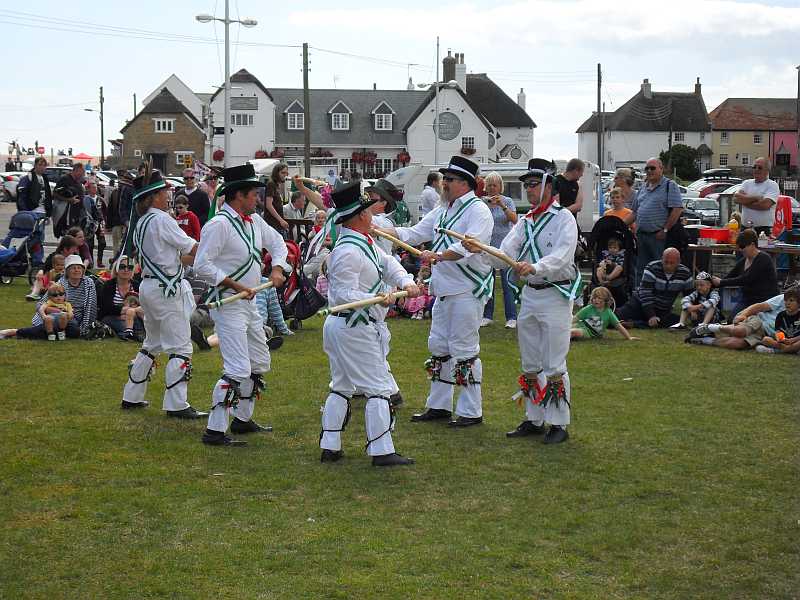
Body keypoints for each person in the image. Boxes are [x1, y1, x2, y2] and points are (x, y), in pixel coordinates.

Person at [466, 161, 580, 444]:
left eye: (534, 184)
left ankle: (558, 424)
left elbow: (564, 256)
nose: (529, 190)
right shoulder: (526, 221)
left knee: (554, 362)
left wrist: (536, 267)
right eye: (526, 185)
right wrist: (479, 249)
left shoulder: (564, 218)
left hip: (556, 294)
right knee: (530, 361)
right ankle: (534, 418)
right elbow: (504, 254)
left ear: (548, 186)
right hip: (530, 295)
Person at [377, 156, 493, 428]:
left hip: (467, 288)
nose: (445, 184)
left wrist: (438, 256)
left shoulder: (478, 211)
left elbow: (468, 247)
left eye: (450, 180)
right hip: (443, 290)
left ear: (465, 183)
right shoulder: (443, 209)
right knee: (439, 348)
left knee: (464, 350)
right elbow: (415, 232)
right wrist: (379, 228)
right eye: (445, 179)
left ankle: (470, 410)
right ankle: (439, 405)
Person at [318, 181, 420, 466]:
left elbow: (389, 264)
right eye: (368, 210)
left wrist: (406, 281)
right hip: (353, 325)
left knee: (341, 385)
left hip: (348, 326)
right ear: (361, 216)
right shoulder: (347, 251)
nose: (373, 214)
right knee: (377, 387)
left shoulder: (365, 243)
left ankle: (331, 445)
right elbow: (341, 294)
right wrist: (376, 298)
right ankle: (381, 450)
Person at [194, 163, 289, 446]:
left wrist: (278, 269)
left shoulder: (255, 222)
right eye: (253, 195)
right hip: (229, 303)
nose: (258, 200)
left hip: (250, 303)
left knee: (259, 361)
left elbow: (279, 245)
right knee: (237, 368)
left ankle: (242, 420)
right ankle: (214, 430)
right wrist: (235, 285)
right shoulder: (219, 225)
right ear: (238, 196)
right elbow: (201, 265)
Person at [121, 169, 207, 420]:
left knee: (152, 344)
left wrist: (200, 258)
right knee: (181, 346)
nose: (170, 194)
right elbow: (191, 246)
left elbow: (175, 256)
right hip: (167, 289)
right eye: (165, 191)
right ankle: (176, 404)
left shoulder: (143, 222)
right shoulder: (162, 220)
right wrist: (218, 250)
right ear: (154, 196)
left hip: (149, 287)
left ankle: (132, 395)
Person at [624, 158, 683, 286]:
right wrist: (620, 225)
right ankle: (639, 297)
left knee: (659, 269)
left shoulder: (669, 185)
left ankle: (659, 297)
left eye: (653, 168)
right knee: (641, 270)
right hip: (641, 236)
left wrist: (665, 230)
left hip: (658, 237)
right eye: (647, 168)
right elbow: (634, 212)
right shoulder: (642, 188)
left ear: (661, 169)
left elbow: (677, 209)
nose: (649, 171)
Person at [616, 247, 693, 329]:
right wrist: (651, 315)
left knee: (679, 321)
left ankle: (634, 324)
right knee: (615, 319)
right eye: (666, 262)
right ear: (661, 259)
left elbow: (689, 296)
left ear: (678, 262)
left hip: (662, 310)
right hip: (639, 303)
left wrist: (692, 310)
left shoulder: (685, 273)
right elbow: (645, 293)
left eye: (672, 263)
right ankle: (640, 321)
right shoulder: (652, 268)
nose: (668, 265)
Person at [479, 172, 518, 328]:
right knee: (488, 283)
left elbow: (514, 219)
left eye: (495, 185)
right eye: (489, 185)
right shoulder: (481, 202)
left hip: (505, 247)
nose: (492, 188)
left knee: (507, 283)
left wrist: (502, 205)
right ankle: (487, 315)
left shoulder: (507, 201)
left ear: (500, 186)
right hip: (487, 247)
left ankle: (511, 317)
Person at [711, 229, 778, 317]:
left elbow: (746, 279)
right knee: (732, 320)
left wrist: (721, 282)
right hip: (747, 299)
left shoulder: (764, 258)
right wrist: (711, 282)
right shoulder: (744, 260)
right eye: (739, 247)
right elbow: (730, 276)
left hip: (764, 301)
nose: (740, 249)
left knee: (740, 321)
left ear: (752, 244)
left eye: (742, 246)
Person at [686, 292, 786, 350]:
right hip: (757, 319)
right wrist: (743, 315)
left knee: (736, 344)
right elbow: (760, 306)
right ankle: (708, 327)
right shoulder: (786, 298)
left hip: (765, 334)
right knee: (740, 332)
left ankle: (703, 340)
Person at [98, 255, 144, 340]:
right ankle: (130, 334)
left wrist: (132, 312)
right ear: (116, 269)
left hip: (133, 316)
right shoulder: (108, 285)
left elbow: (144, 305)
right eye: (122, 267)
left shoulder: (137, 285)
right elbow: (106, 308)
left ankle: (132, 334)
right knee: (122, 325)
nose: (126, 270)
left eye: (130, 267)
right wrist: (125, 311)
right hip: (112, 317)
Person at [733, 157, 780, 236]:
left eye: (760, 167)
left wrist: (745, 202)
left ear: (767, 171)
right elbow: (736, 199)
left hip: (763, 230)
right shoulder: (746, 183)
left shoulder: (772, 185)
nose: (756, 169)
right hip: (745, 228)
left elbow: (764, 205)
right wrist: (756, 198)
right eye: (754, 167)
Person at [571, 286, 637, 341]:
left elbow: (619, 326)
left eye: (599, 298)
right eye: (594, 298)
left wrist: (629, 337)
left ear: (606, 300)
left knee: (573, 332)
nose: (596, 300)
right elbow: (575, 318)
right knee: (565, 329)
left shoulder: (608, 313)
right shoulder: (588, 308)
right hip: (580, 326)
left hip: (589, 333)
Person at [756, 286, 800, 354]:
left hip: (795, 340)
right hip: (783, 342)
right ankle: (790, 350)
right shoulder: (780, 315)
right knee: (765, 339)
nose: (787, 303)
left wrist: (792, 340)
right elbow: (778, 331)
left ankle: (775, 351)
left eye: (791, 300)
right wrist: (781, 339)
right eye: (785, 300)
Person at [52, 163, 86, 237]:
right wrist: (68, 200)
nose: (83, 175)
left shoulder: (78, 181)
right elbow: (55, 194)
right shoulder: (65, 179)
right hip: (68, 215)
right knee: (69, 237)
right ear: (76, 170)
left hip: (77, 214)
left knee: (75, 237)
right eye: (82, 172)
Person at [84, 180, 107, 267]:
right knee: (90, 244)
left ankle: (99, 261)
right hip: (89, 224)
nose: (95, 189)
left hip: (99, 223)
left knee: (102, 242)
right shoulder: (86, 199)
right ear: (88, 189)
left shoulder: (100, 199)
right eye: (93, 187)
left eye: (96, 187)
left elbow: (105, 210)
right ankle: (91, 261)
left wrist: (104, 221)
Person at [263, 162, 289, 233]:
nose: (285, 175)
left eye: (286, 173)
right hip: (272, 223)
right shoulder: (271, 184)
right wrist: (281, 220)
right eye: (283, 173)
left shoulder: (278, 185)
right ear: (276, 173)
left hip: (277, 223)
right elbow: (269, 205)